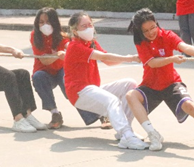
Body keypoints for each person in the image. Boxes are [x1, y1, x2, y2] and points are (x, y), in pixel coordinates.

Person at [125, 8, 194, 151]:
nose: (151, 32)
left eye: (153, 27)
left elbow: (184, 46)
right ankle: (153, 135)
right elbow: (152, 63)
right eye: (145, 31)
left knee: (189, 105)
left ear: (156, 23)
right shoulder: (140, 42)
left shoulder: (167, 35)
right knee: (131, 95)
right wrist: (171, 59)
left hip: (171, 83)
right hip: (150, 85)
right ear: (140, 32)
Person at [63, 12, 148, 149]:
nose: (89, 28)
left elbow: (107, 60)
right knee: (112, 100)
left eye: (90, 24)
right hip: (79, 93)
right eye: (84, 26)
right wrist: (130, 58)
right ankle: (127, 135)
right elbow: (103, 55)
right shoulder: (75, 47)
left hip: (92, 89)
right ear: (75, 31)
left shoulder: (91, 43)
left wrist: (134, 58)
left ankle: (125, 132)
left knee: (130, 84)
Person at [30, 7, 99, 129]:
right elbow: (44, 61)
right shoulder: (35, 36)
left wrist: (68, 52)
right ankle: (55, 113)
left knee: (70, 86)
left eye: (48, 21)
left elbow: (69, 47)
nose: (44, 25)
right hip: (44, 72)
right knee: (38, 77)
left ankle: (96, 114)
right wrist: (57, 55)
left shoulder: (62, 36)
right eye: (41, 22)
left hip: (61, 70)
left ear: (54, 22)